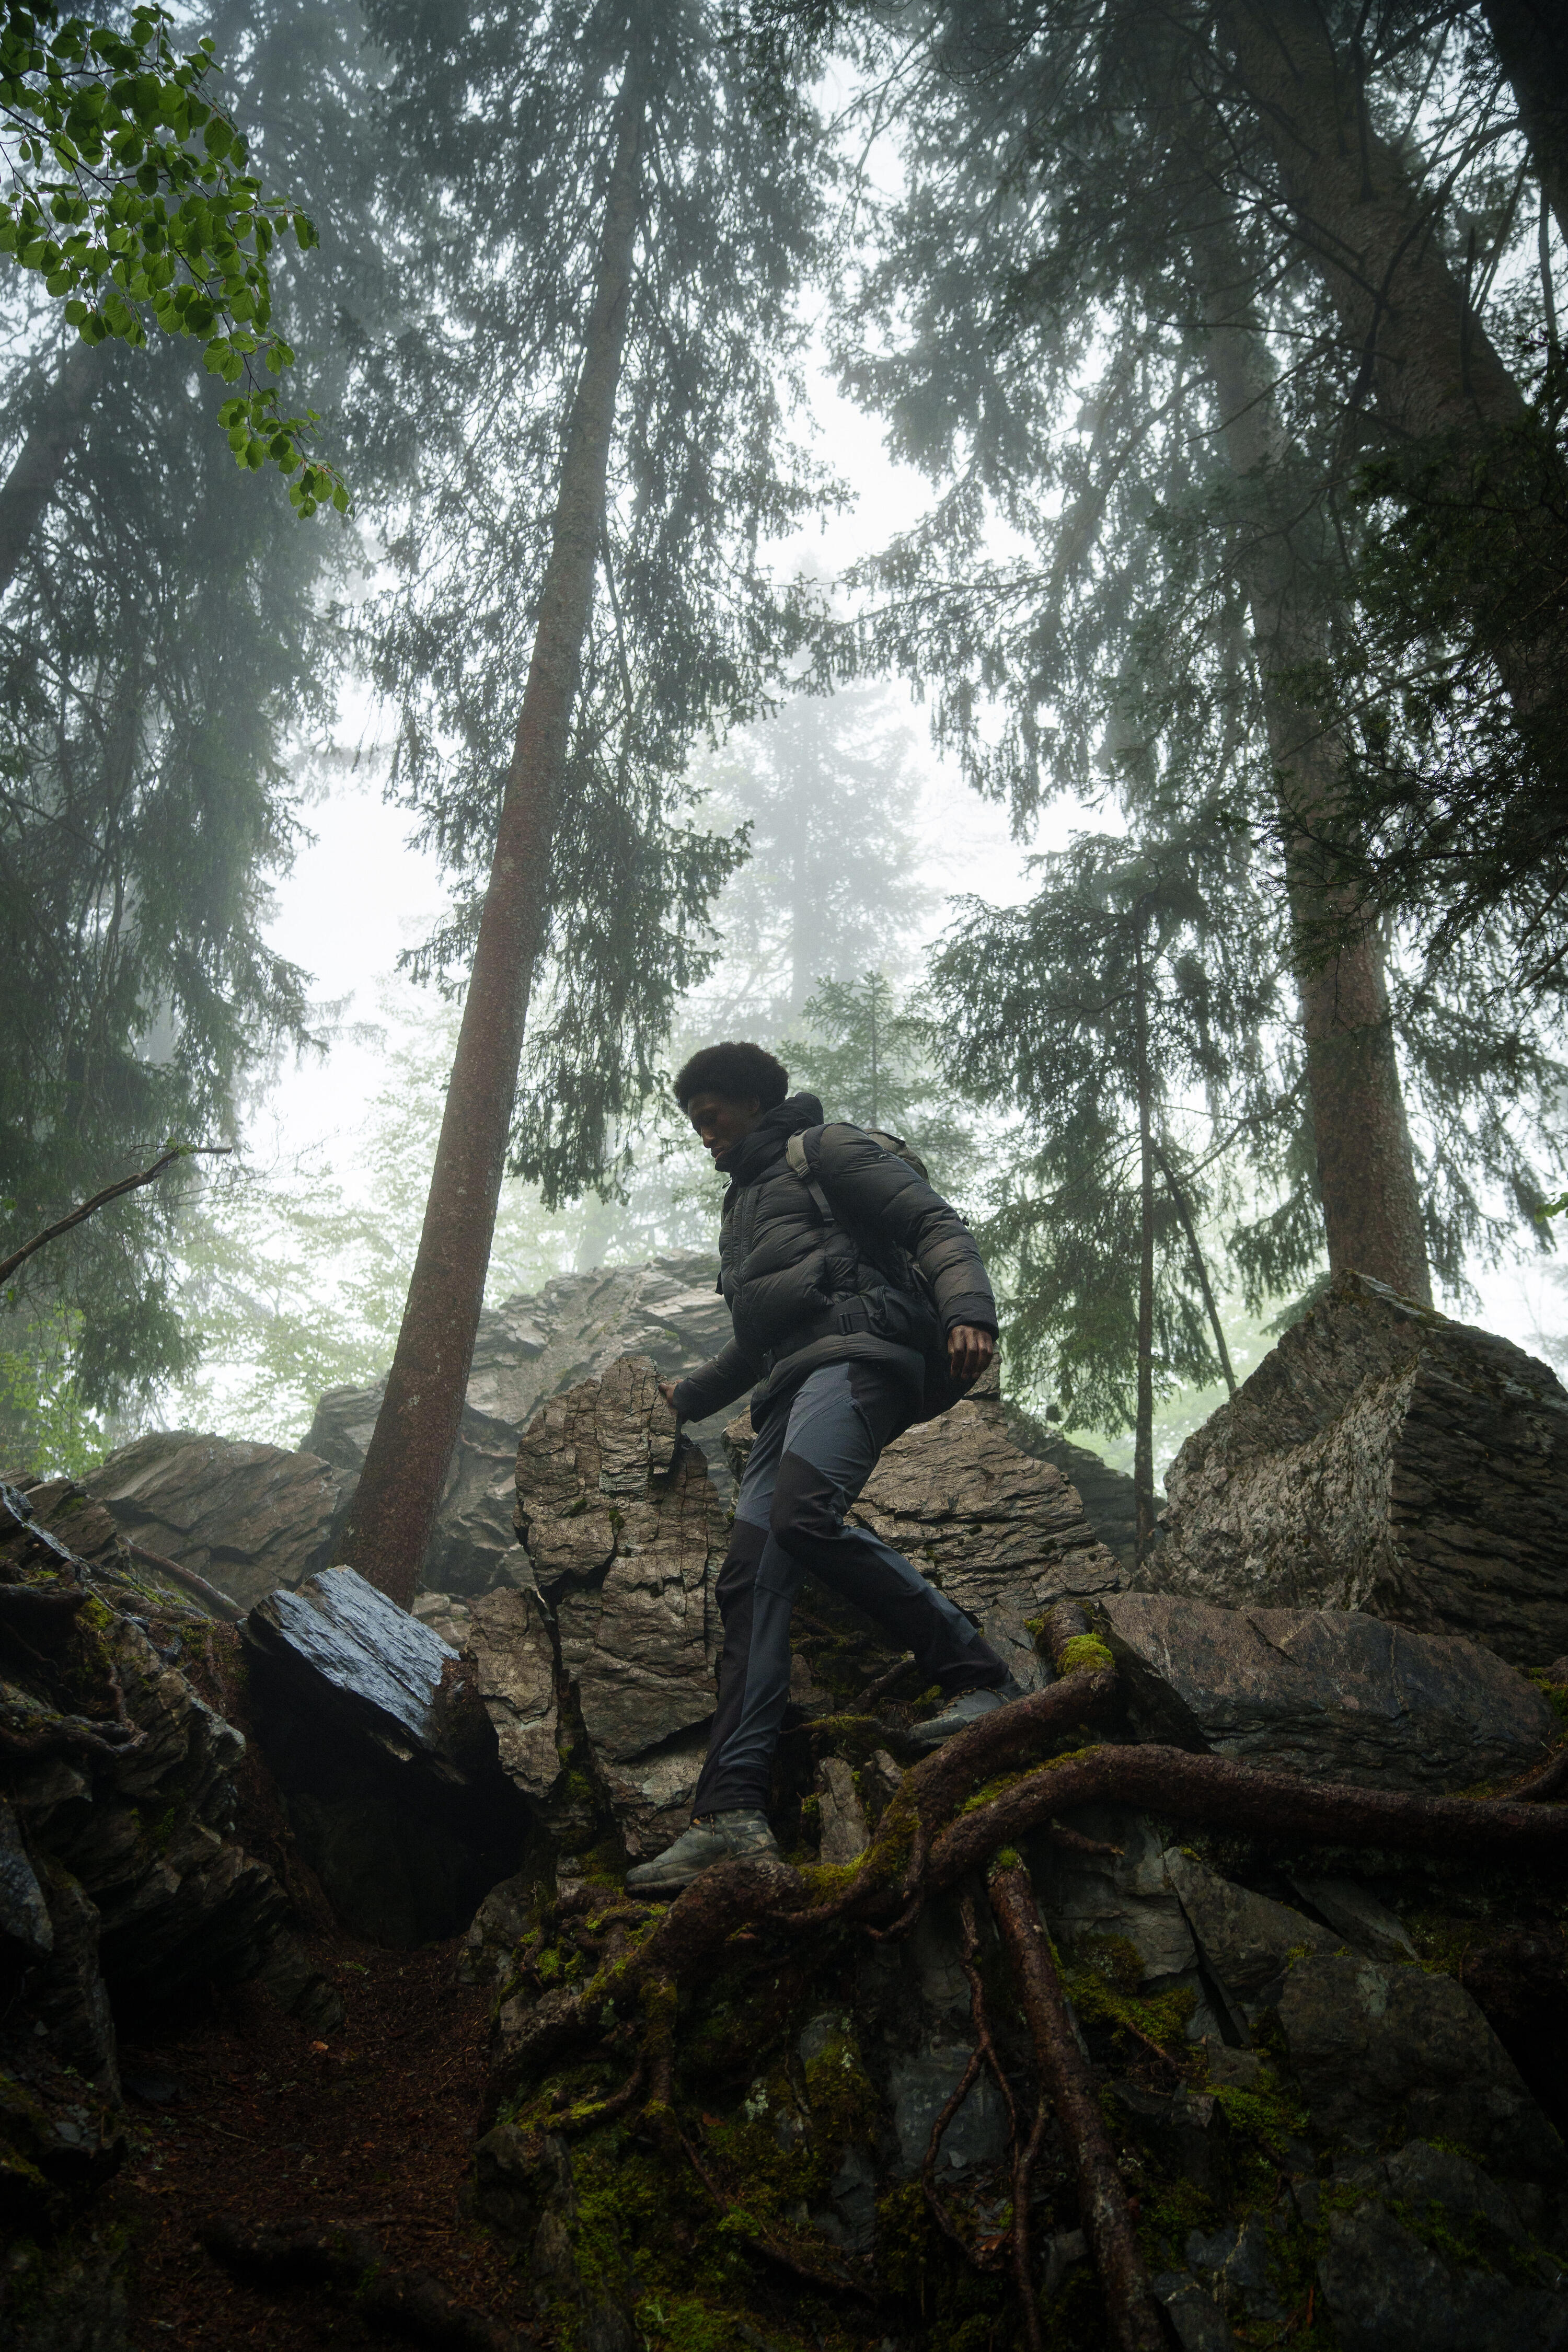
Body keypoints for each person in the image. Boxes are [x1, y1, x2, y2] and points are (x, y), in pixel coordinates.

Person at [625, 1040, 1025, 1897]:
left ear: (752, 1102)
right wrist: (684, 1399)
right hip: (788, 1388)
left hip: (863, 1359)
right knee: (750, 1579)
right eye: (693, 1123)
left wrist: (968, 1311)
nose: (704, 1133)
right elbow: (759, 1339)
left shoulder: (827, 1151)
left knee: (805, 1514)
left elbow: (934, 1223)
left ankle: (981, 1677)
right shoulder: (744, 1210)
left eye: (713, 1115)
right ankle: (731, 1815)